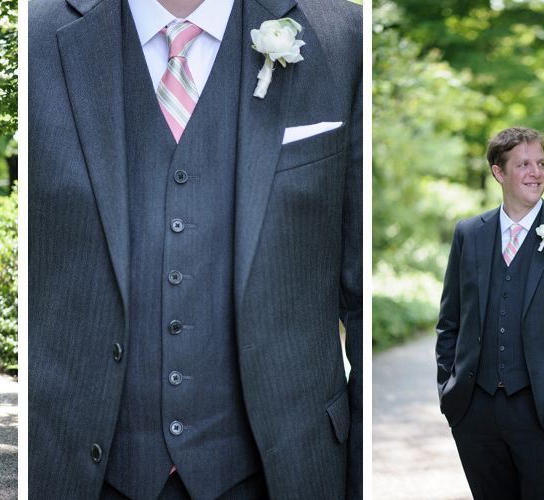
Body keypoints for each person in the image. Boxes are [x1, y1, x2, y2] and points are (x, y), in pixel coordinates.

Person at [28, 0, 362, 497]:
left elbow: (359, 293)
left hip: (284, 469)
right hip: (76, 467)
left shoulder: (345, 33)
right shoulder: (36, 31)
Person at [435, 127, 544, 499]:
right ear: (499, 173)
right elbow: (450, 321)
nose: (536, 172)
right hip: (475, 412)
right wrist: (449, 393)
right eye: (524, 164)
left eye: (541, 163)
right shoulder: (468, 234)